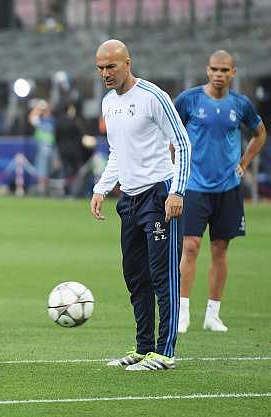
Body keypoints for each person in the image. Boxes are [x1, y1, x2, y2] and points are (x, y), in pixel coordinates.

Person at [90, 40, 191, 370]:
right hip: (129, 200)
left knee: (163, 277)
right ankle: (144, 347)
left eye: (111, 67)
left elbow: (183, 144)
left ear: (127, 63)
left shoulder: (153, 97)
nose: (105, 73)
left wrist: (176, 191)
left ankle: (165, 352)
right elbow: (117, 152)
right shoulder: (108, 103)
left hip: (159, 196)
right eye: (101, 68)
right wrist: (101, 188)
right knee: (135, 277)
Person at [174, 50, 267, 333]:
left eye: (224, 70)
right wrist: (174, 166)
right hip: (194, 186)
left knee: (220, 248)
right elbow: (172, 132)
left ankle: (213, 314)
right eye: (214, 69)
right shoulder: (189, 100)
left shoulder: (241, 104)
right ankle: (183, 312)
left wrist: (243, 163)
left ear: (233, 73)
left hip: (228, 187)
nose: (219, 74)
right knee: (190, 246)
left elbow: (260, 133)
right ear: (207, 70)